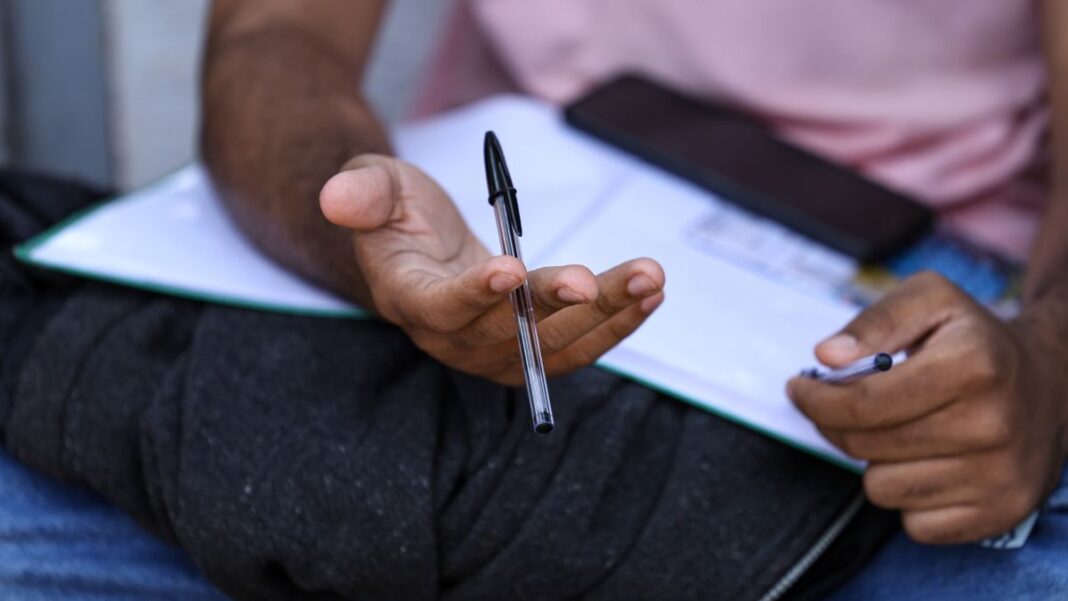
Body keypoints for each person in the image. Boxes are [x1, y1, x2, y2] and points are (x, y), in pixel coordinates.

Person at [200, 0, 1068, 597]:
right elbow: (275, 31)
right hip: (481, 214)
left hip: (949, 301)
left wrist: (1049, 361)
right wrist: (363, 233)